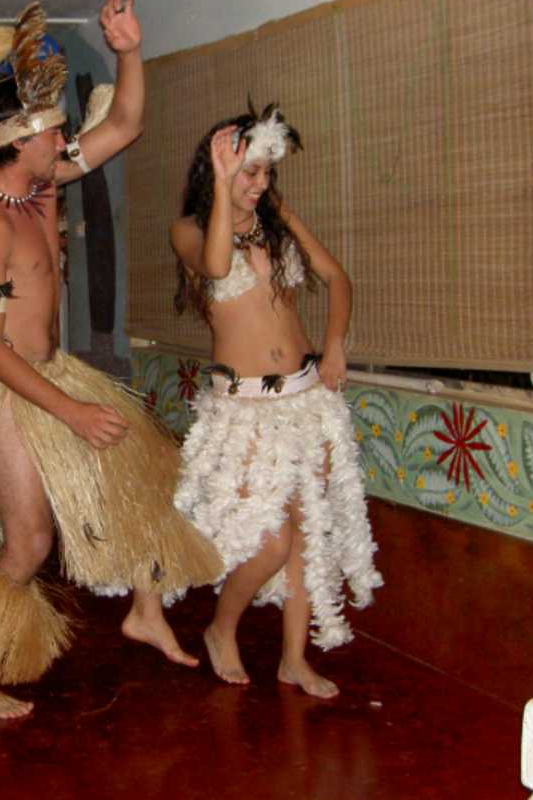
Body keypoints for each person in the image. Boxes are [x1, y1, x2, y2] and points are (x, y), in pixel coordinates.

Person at [0, 0, 222, 720]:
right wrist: (74, 412)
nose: (64, 142)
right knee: (28, 541)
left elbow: (125, 124)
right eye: (54, 134)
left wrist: (129, 50)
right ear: (18, 141)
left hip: (51, 373)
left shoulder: (42, 184)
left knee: (143, 479)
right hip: (11, 391)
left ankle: (144, 610)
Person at [169, 104, 382, 698]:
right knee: (269, 541)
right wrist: (221, 188)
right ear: (217, 169)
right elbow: (215, 266)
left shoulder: (276, 218)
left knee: (306, 540)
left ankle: (294, 657)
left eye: (265, 172)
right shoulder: (188, 228)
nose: (259, 185)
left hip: (307, 398)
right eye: (247, 172)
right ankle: (220, 628)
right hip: (243, 412)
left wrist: (335, 346)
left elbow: (336, 277)